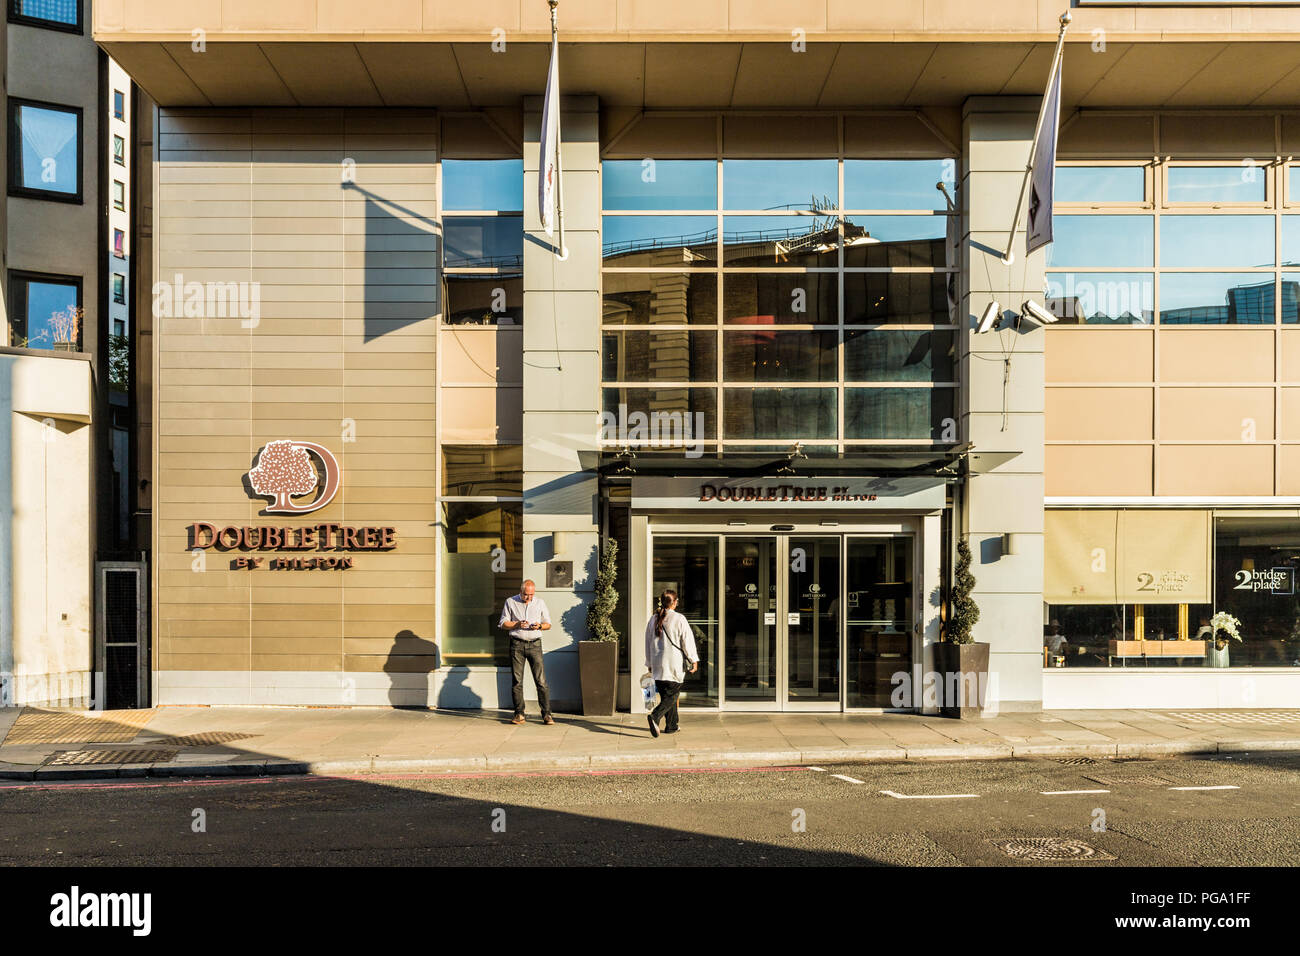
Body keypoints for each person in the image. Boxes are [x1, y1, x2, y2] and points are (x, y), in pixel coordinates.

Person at [644, 589, 698, 738]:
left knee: (667, 695)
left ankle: (672, 726)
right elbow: (687, 641)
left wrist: (649, 662)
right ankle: (655, 716)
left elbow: (647, 642)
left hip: (657, 664)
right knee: (672, 695)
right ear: (674, 602)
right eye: (677, 600)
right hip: (674, 664)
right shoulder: (679, 618)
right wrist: (693, 659)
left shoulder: (653, 619)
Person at [499, 579, 553, 725]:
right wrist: (517, 624)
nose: (529, 597)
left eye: (531, 594)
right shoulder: (511, 602)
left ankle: (547, 714)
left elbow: (548, 624)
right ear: (520, 591)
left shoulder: (540, 603)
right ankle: (519, 714)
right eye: (526, 594)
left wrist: (539, 626)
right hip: (517, 644)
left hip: (535, 644)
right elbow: (503, 623)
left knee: (541, 681)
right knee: (517, 681)